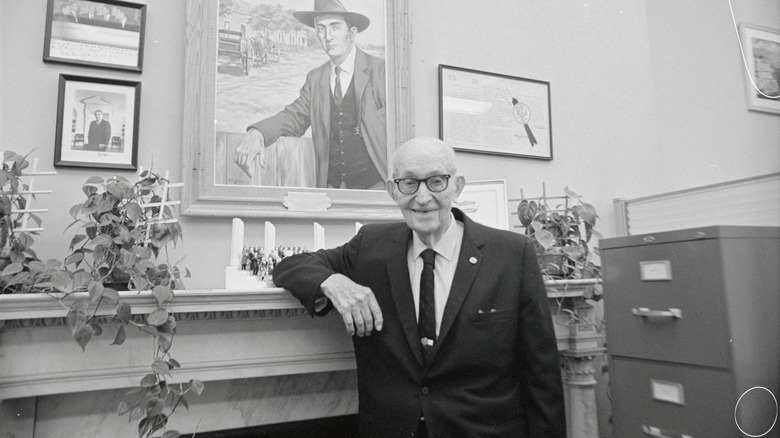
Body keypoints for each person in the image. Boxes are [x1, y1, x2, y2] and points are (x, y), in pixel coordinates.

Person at [273, 137, 566, 437]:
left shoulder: (512, 255)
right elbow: (290, 266)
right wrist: (333, 282)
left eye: (436, 181)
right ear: (393, 191)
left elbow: (542, 378)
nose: (423, 197)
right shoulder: (371, 248)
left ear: (457, 186)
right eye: (409, 183)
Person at [233, 0, 387, 190]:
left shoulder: (381, 71)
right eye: (321, 29)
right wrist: (258, 133)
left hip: (379, 187)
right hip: (332, 188)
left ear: (352, 33)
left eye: (335, 27)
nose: (327, 36)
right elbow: (294, 116)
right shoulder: (316, 78)